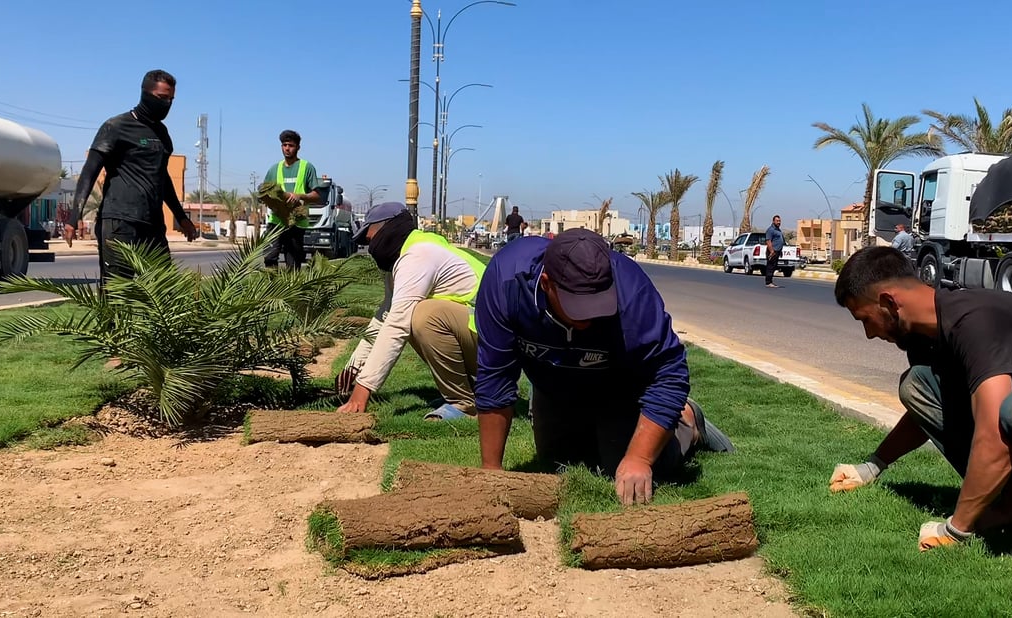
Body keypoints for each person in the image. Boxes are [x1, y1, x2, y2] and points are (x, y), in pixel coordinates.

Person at [473, 229, 735, 506]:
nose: (590, 315)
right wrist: (492, 471)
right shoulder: (506, 280)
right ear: (547, 284)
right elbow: (495, 376)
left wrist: (639, 459)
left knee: (623, 470)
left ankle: (688, 421)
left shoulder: (632, 291)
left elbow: (669, 372)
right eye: (579, 306)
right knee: (560, 463)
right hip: (553, 387)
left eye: (598, 303)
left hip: (619, 388)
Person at [830, 246, 1012, 551]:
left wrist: (955, 530)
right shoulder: (923, 337)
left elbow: (994, 435)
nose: (869, 334)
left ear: (889, 302)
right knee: (917, 385)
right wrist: (873, 466)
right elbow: (930, 412)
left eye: (865, 319)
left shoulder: (973, 321)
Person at [334, 202, 487, 420]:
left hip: (495, 345)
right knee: (415, 314)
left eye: (369, 236)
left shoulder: (418, 255)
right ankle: (469, 391)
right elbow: (385, 317)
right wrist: (354, 367)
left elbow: (397, 324)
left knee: (423, 317)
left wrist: (362, 391)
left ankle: (463, 403)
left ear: (386, 227)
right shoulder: (404, 256)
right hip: (481, 336)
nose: (369, 245)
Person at [65, 69, 198, 283]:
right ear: (145, 93)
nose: (167, 104)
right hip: (120, 222)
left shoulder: (162, 134)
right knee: (119, 291)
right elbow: (90, 172)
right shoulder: (116, 127)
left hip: (153, 224)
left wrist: (181, 217)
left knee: (163, 289)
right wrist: (74, 216)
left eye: (171, 99)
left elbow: (162, 179)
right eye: (162, 98)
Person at [262, 130, 321, 270]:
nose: (287, 148)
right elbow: (264, 193)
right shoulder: (274, 169)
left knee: (293, 263)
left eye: (291, 145)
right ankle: (272, 283)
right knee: (269, 257)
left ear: (298, 147)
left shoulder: (307, 167)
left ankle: (290, 284)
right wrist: (271, 202)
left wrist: (300, 196)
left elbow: (317, 196)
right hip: (276, 221)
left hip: (297, 223)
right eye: (284, 145)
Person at [764, 215, 785, 288]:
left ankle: (770, 281)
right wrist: (771, 251)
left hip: (777, 251)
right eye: (777, 221)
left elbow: (779, 241)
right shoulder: (771, 230)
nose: (779, 222)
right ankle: (768, 282)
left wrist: (780, 250)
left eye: (779, 221)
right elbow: (768, 241)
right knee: (770, 266)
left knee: (773, 266)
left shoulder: (778, 230)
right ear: (773, 221)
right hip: (772, 251)